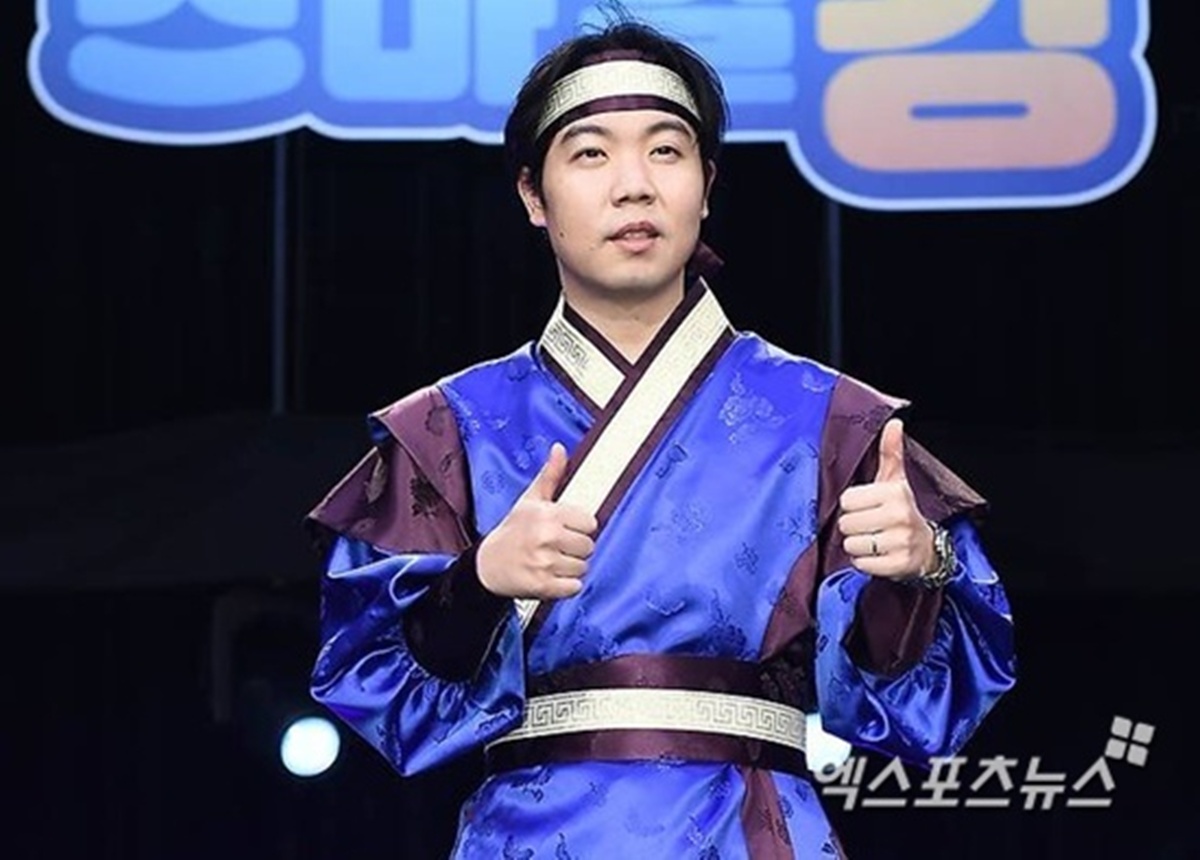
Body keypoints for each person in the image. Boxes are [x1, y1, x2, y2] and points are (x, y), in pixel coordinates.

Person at [305, 14, 1016, 859]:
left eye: (666, 151)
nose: (634, 186)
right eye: (591, 153)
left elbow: (927, 705)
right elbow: (378, 686)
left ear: (706, 186)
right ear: (533, 195)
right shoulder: (450, 427)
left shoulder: (830, 418)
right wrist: (480, 581)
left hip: (754, 832)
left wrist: (922, 569)